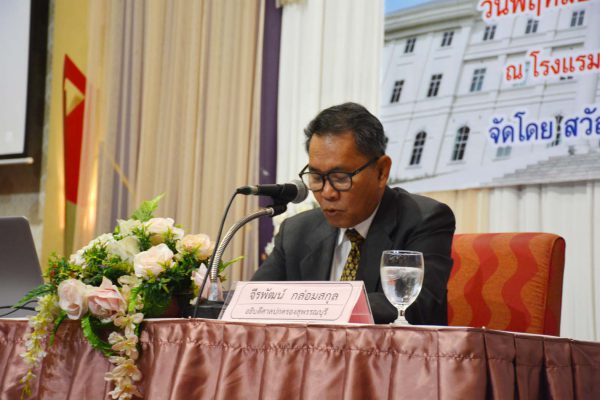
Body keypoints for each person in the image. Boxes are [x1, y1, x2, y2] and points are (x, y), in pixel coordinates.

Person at [252, 102, 456, 324]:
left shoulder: (423, 220)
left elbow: (415, 307)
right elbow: (255, 302)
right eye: (317, 178)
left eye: (341, 178)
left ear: (381, 171)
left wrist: (319, 306)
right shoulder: (296, 232)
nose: (327, 193)